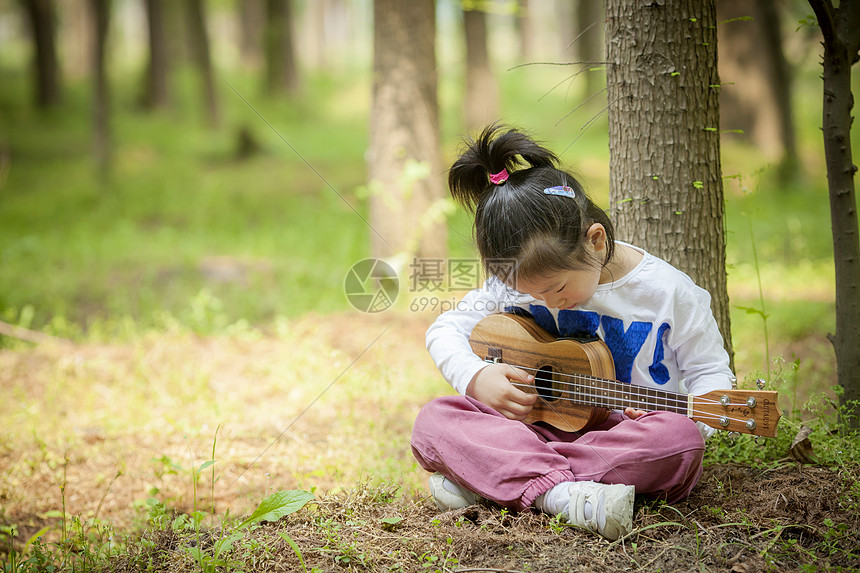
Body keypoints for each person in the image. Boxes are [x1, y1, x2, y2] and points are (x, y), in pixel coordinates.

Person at [410, 124, 734, 541]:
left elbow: (711, 375)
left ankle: (498, 477)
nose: (545, 302)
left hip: (621, 438)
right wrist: (477, 376)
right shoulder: (513, 281)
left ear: (595, 241)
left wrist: (685, 415)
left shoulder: (669, 293)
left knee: (680, 441)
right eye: (528, 293)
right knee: (434, 420)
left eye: (555, 289)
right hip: (534, 426)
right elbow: (445, 329)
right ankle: (562, 496)